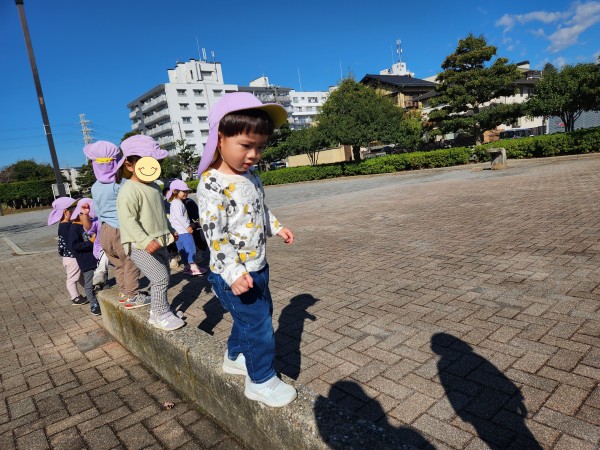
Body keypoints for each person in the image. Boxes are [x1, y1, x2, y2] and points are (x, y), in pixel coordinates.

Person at [197, 92, 296, 407]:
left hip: (258, 266)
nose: (253, 155)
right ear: (220, 138)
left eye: (260, 147)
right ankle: (260, 380)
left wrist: (276, 227)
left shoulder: (251, 175)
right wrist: (234, 272)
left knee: (257, 316)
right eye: (245, 146)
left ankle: (235, 356)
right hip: (232, 274)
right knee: (258, 324)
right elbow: (215, 235)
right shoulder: (212, 184)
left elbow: (259, 208)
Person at [116, 134, 184, 331]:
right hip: (139, 245)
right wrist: (145, 241)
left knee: (165, 276)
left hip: (159, 241)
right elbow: (128, 221)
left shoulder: (154, 187)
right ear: (129, 165)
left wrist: (170, 230)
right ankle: (160, 315)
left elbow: (159, 214)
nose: (153, 168)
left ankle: (160, 310)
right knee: (160, 278)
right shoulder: (129, 190)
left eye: (156, 163)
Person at [84, 141, 149, 308]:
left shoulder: (95, 187)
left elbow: (98, 211)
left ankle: (124, 292)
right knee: (131, 261)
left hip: (104, 230)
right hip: (121, 229)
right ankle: (133, 295)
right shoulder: (121, 184)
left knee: (119, 264)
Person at [48, 196, 88, 306]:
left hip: (72, 256)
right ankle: (74, 297)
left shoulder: (66, 225)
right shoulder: (65, 227)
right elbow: (70, 244)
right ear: (65, 212)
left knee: (80, 275)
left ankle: (89, 289)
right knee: (72, 278)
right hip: (71, 257)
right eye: (73, 210)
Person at [67, 199, 102, 316]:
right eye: (85, 214)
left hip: (97, 257)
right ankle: (94, 304)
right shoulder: (74, 228)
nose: (89, 217)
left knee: (103, 280)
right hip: (86, 260)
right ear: (78, 215)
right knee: (89, 284)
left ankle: (104, 300)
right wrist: (90, 242)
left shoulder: (90, 224)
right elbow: (74, 246)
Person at [166, 179, 207, 276]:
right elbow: (180, 217)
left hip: (178, 232)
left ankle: (187, 267)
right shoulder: (177, 203)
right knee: (190, 249)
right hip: (184, 231)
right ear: (175, 191)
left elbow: (173, 219)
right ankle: (193, 267)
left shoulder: (174, 203)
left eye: (186, 191)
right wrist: (188, 226)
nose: (186, 193)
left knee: (183, 251)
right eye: (183, 191)